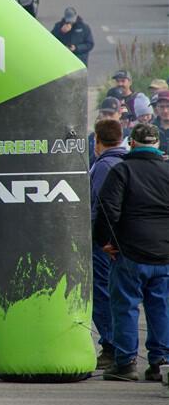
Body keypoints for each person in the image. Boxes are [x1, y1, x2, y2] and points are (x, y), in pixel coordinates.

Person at [94, 123, 169, 382]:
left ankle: (125, 364)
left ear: (132, 144)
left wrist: (103, 242)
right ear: (158, 145)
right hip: (164, 255)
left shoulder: (122, 171)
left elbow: (107, 210)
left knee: (125, 307)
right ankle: (160, 361)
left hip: (129, 252)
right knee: (161, 306)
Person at [88, 119, 126, 369]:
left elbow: (101, 208)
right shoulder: (127, 162)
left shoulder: (104, 167)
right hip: (127, 240)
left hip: (105, 243)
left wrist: (100, 239)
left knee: (101, 292)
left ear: (97, 142)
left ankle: (111, 346)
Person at [88, 97, 128, 166]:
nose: (107, 118)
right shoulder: (92, 137)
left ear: (120, 114)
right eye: (104, 114)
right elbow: (88, 165)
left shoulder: (128, 136)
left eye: (111, 114)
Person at [151, 90, 169, 156]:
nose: (165, 111)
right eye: (162, 107)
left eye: (168, 106)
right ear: (157, 108)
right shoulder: (149, 129)